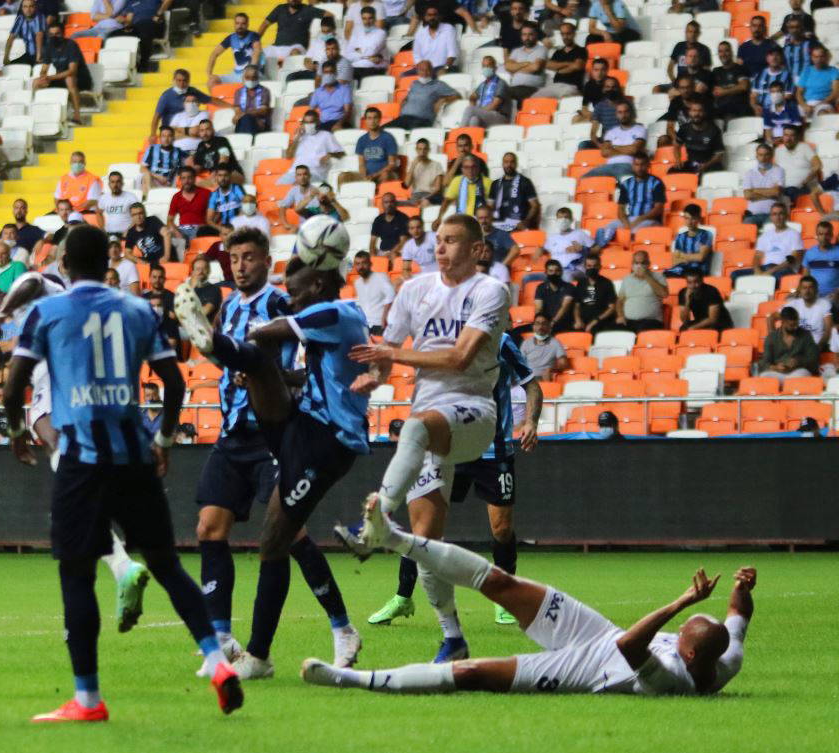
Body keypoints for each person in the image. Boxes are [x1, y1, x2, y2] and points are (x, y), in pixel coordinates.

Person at [0, 224, 244, 721]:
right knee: (168, 565)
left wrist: (15, 430)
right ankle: (217, 661)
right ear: (107, 263)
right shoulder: (137, 310)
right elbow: (174, 384)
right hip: (134, 455)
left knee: (76, 575)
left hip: (81, 461)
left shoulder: (47, 312)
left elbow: (14, 385)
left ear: (63, 264)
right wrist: (164, 440)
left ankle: (87, 699)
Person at [174, 238, 366, 679]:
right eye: (233, 259)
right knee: (209, 527)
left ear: (266, 262)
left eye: (248, 259)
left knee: (286, 533)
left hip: (272, 431)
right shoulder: (231, 304)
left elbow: (302, 362)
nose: (240, 267)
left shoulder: (286, 302)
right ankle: (222, 641)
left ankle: (339, 626)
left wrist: (253, 361)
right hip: (232, 432)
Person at [339, 214, 511, 663]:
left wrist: (390, 353)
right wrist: (373, 377)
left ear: (476, 249)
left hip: (473, 409)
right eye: (438, 241)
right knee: (424, 543)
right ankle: (453, 638)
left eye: (452, 241)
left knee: (413, 426)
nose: (441, 248)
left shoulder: (490, 291)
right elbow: (386, 355)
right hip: (430, 415)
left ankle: (373, 521)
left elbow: (458, 357)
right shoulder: (415, 290)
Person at [305, 557, 755, 699]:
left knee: (473, 674)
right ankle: (399, 540)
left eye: (681, 639)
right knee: (503, 582)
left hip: (590, 668)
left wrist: (681, 603)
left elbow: (628, 644)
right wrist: (742, 586)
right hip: (597, 632)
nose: (677, 639)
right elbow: (739, 617)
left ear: (690, 655)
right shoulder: (728, 657)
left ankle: (348, 677)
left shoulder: (673, 681)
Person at [362, 333, 541, 631]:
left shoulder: (501, 341)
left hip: (494, 449)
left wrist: (531, 421)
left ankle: (504, 599)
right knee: (424, 528)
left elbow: (531, 384)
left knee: (502, 528)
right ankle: (402, 596)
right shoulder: (439, 338)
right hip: (449, 445)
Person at [592, 154, 666, 249]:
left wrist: (639, 219)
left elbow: (658, 208)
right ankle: (599, 248)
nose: (639, 168)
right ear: (632, 166)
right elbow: (621, 208)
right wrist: (626, 222)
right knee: (609, 226)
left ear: (648, 165)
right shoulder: (627, 184)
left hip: (650, 220)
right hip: (630, 219)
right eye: (636, 164)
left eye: (642, 165)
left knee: (636, 230)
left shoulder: (656, 183)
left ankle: (631, 251)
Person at [34, 17, 90, 126]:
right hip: (61, 79)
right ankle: (42, 118)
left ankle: (77, 117)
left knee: (69, 79)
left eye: (57, 34)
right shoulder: (49, 47)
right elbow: (44, 68)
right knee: (37, 82)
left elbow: (72, 71)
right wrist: (43, 76)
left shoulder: (71, 45)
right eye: (51, 35)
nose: (54, 37)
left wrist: (50, 78)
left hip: (81, 80)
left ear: (63, 33)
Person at [732, 202, 803, 281]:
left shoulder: (794, 234)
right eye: (774, 214)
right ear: (771, 217)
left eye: (781, 214)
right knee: (735, 274)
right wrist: (757, 270)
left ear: (786, 216)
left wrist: (770, 272)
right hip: (765, 268)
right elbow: (757, 257)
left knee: (774, 278)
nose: (778, 217)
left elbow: (792, 259)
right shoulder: (765, 235)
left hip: (784, 269)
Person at [257, 0, 326, 78]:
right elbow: (265, 24)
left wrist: (325, 28)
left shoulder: (308, 10)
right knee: (258, 54)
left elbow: (328, 15)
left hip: (297, 48)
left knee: (294, 52)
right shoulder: (280, 9)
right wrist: (255, 41)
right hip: (277, 47)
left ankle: (290, 79)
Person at [758, 305, 820, 381]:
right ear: (782, 322)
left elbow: (813, 358)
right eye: (792, 325)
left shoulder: (805, 335)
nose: (795, 327)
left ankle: (787, 383)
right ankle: (787, 383)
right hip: (777, 373)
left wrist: (798, 362)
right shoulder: (772, 337)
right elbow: (764, 362)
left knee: (802, 375)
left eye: (796, 324)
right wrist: (775, 367)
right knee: (763, 376)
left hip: (798, 372)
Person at [281, 109, 344, 184]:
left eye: (311, 122)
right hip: (294, 173)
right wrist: (297, 138)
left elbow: (341, 153)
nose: (308, 125)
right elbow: (288, 155)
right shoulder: (299, 137)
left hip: (314, 173)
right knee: (278, 187)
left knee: (297, 184)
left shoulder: (326, 135)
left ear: (317, 122)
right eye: (306, 123)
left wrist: (330, 155)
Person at [393, 60, 458, 130]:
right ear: (417, 71)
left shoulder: (438, 84)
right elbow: (409, 97)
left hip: (422, 120)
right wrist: (405, 100)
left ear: (431, 71)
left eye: (427, 70)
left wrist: (444, 99)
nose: (424, 73)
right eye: (422, 70)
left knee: (412, 132)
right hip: (404, 118)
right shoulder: (414, 84)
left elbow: (456, 95)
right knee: (384, 130)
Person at [616, 250, 667, 333]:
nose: (639, 266)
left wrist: (647, 276)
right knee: (613, 331)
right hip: (628, 321)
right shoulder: (627, 279)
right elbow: (620, 301)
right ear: (632, 265)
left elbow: (664, 294)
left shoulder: (658, 276)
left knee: (643, 332)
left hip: (651, 321)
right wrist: (620, 316)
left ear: (648, 264)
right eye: (636, 263)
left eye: (643, 263)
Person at [488, 152, 539, 231]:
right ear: (502, 164)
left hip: (518, 226)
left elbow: (535, 205)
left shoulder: (525, 182)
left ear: (516, 164)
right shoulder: (495, 184)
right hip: (499, 225)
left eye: (512, 162)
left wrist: (526, 221)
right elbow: (489, 207)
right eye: (506, 162)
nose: (509, 165)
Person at [208, 13, 261, 87]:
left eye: (243, 23)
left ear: (247, 24)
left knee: (248, 77)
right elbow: (214, 54)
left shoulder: (253, 35)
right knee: (212, 82)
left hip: (251, 74)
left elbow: (257, 50)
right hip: (235, 74)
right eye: (237, 23)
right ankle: (216, 99)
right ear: (234, 24)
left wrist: (251, 68)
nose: (240, 26)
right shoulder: (231, 38)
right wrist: (209, 74)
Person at [777, 276, 833, 345]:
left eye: (810, 287)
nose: (807, 291)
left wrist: (819, 348)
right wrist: (776, 341)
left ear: (816, 289)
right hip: (794, 346)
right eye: (804, 288)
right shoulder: (793, 304)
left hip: (814, 345)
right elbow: (771, 318)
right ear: (800, 290)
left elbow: (828, 330)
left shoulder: (824, 304)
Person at [675, 99, 725, 174]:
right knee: (673, 172)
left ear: (704, 113)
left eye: (700, 111)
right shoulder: (684, 129)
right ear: (689, 112)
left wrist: (706, 165)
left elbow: (719, 155)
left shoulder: (714, 130)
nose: (697, 114)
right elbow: (676, 145)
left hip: (710, 166)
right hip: (692, 165)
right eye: (694, 110)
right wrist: (678, 160)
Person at [460, 56, 511, 129]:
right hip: (486, 115)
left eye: (488, 66)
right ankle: (472, 139)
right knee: (474, 120)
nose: (486, 68)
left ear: (495, 68)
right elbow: (472, 96)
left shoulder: (501, 83)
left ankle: (458, 134)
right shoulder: (483, 84)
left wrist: (477, 110)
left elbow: (494, 105)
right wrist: (473, 103)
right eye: (484, 66)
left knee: (470, 109)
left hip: (500, 116)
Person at [352, 249, 395, 334]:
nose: (361, 267)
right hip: (364, 325)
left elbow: (391, 295)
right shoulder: (357, 282)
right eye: (358, 264)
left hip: (380, 324)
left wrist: (384, 317)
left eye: (364, 263)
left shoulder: (381, 277)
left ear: (370, 264)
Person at [666, 203, 713, 278]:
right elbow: (675, 260)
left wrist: (682, 256)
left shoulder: (706, 234)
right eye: (687, 218)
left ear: (699, 218)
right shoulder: (680, 236)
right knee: (664, 274)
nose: (689, 222)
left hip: (698, 270)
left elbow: (700, 257)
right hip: (682, 269)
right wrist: (692, 257)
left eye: (693, 218)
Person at [438, 155, 491, 220]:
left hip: (480, 220)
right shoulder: (457, 181)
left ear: (478, 168)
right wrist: (439, 218)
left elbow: (492, 205)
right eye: (466, 167)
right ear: (462, 169)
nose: (470, 170)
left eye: (473, 167)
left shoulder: (488, 183)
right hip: (461, 220)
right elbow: (447, 201)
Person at [504, 23, 547, 101]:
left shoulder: (541, 50)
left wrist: (516, 68)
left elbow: (535, 68)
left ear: (536, 36)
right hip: (515, 87)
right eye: (524, 34)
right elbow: (508, 67)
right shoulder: (516, 51)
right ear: (521, 36)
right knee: (498, 92)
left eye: (530, 34)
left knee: (505, 94)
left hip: (533, 88)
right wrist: (526, 63)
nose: (527, 37)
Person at [520, 313, 569, 379]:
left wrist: (552, 369)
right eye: (537, 323)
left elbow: (564, 363)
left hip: (545, 378)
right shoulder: (526, 343)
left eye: (544, 324)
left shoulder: (555, 343)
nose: (540, 327)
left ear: (549, 326)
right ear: (533, 326)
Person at [307, 60, 353, 130]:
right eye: (326, 72)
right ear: (322, 74)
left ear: (336, 73)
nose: (329, 75)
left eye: (331, 72)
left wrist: (339, 124)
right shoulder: (318, 92)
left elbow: (348, 112)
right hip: (323, 123)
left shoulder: (345, 89)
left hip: (340, 122)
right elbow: (311, 111)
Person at [140, 126, 186, 195]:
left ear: (173, 138)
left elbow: (187, 164)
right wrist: (158, 176)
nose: (166, 139)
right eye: (164, 136)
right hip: (154, 180)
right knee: (145, 176)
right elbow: (142, 168)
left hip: (172, 181)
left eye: (169, 136)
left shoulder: (178, 151)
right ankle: (149, 198)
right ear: (160, 138)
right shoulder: (152, 149)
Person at [802, 220, 839, 296]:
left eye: (827, 234)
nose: (824, 237)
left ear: (832, 235)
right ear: (817, 236)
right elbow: (805, 276)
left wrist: (837, 292)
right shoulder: (810, 253)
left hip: (834, 295)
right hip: (813, 295)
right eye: (821, 234)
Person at [233, 65, 271, 134]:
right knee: (245, 119)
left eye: (254, 77)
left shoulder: (264, 91)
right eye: (248, 77)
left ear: (258, 78)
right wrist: (242, 115)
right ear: (243, 78)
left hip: (259, 122)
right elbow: (237, 110)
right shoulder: (239, 92)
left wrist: (245, 114)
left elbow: (263, 110)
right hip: (242, 122)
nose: (251, 80)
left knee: (247, 118)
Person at [370, 191, 410, 256]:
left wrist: (390, 253)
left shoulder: (403, 218)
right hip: (382, 252)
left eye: (391, 202)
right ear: (382, 204)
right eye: (386, 202)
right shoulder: (378, 220)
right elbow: (372, 242)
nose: (389, 205)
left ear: (395, 203)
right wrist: (372, 254)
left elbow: (403, 241)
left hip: (399, 252)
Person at [405, 137, 443, 205]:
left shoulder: (436, 165)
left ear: (428, 150)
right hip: (416, 194)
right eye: (420, 149)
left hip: (431, 194)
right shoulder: (412, 165)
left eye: (425, 149)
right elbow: (406, 185)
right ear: (416, 150)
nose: (422, 152)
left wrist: (426, 198)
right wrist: (413, 165)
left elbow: (438, 188)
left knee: (424, 203)